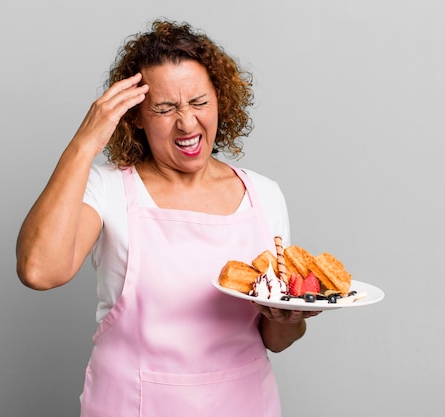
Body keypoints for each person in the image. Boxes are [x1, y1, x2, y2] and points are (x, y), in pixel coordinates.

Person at [16, 19, 319, 417]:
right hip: (132, 405)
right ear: (136, 116)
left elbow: (275, 339)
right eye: (164, 108)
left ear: (220, 100)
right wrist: (85, 141)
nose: (187, 123)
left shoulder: (263, 195)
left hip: (245, 404)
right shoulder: (107, 189)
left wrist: (290, 318)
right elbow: (39, 271)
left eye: (199, 102)